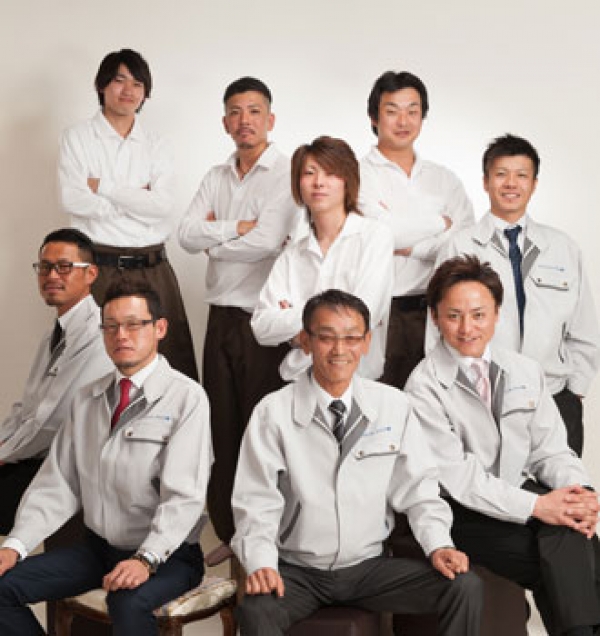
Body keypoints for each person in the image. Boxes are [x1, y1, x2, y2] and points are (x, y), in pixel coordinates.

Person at [232, 289, 482, 636]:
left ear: (366, 343)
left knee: (463, 586)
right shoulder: (272, 412)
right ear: (305, 341)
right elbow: (255, 502)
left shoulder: (393, 405)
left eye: (351, 338)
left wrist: (439, 544)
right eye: (326, 337)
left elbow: (419, 491)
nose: (339, 349)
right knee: (256, 610)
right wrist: (261, 564)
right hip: (299, 572)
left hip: (369, 569)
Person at [0, 280, 212, 635]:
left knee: (127, 602)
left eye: (133, 324)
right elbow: (57, 484)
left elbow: (184, 497)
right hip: (100, 550)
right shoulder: (87, 399)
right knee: (3, 587)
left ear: (159, 328)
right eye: (110, 326)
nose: (121, 335)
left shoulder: (186, 398)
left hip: (168, 555)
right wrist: (15, 546)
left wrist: (146, 559)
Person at [407, 255, 600, 636]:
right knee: (570, 554)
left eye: (478, 315)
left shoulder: (525, 370)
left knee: (568, 534)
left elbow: (551, 450)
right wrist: (541, 506)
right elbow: (461, 479)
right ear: (434, 317)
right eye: (453, 316)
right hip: (464, 512)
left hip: (522, 495)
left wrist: (581, 493)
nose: (467, 328)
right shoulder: (423, 387)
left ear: (497, 314)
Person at [179, 76, 298, 553]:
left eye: (253, 111)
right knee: (222, 425)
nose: (244, 120)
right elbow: (186, 235)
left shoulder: (287, 172)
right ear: (225, 122)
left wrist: (216, 241)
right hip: (220, 317)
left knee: (261, 428)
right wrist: (237, 229)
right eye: (235, 111)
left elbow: (267, 242)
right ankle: (230, 533)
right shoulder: (216, 176)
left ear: (270, 119)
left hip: (262, 320)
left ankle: (268, 535)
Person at [431, 134, 600, 455]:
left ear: (534, 184)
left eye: (521, 175)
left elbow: (584, 329)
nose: (511, 183)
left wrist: (575, 393)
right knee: (484, 486)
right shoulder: (459, 246)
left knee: (562, 485)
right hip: (482, 403)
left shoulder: (563, 248)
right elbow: (437, 331)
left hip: (554, 399)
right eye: (501, 174)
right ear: (485, 182)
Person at [58, 48, 198, 381]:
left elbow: (162, 206)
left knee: (170, 367)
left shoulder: (157, 144)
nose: (128, 90)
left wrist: (103, 187)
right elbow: (73, 199)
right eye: (119, 80)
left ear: (145, 93)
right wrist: (138, 199)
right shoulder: (78, 138)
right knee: (90, 367)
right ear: (102, 85)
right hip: (98, 267)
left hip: (153, 266)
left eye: (137, 84)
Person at [359, 70, 474, 389]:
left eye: (412, 111)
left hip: (438, 307)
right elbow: (380, 234)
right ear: (374, 117)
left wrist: (410, 246)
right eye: (392, 111)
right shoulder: (358, 175)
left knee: (437, 399)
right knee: (384, 398)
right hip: (385, 309)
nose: (403, 121)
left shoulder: (444, 178)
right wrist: (439, 223)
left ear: (423, 116)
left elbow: (465, 241)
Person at [252, 135, 394, 382]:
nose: (318, 182)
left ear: (348, 181)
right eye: (309, 173)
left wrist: (300, 327)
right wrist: (325, 319)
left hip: (358, 381)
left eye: (330, 173)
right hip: (298, 380)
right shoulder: (293, 253)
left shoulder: (374, 237)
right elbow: (261, 326)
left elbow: (363, 315)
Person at [0, 228, 111, 535]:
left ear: (91, 274)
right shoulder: (54, 334)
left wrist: (5, 454)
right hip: (40, 455)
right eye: (45, 267)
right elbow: (26, 408)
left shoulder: (99, 335)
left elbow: (50, 422)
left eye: (64, 267)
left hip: (69, 468)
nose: (51, 275)